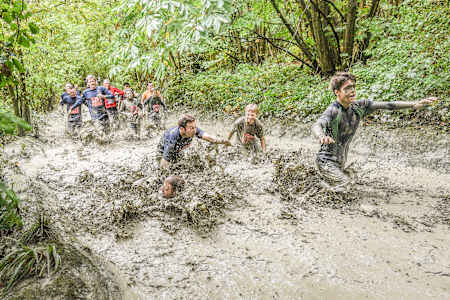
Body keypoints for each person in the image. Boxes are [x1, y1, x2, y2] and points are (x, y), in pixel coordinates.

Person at [311, 72, 437, 192]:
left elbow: (388, 105)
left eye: (353, 87)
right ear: (337, 92)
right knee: (346, 186)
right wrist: (321, 136)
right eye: (348, 88)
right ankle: (318, 188)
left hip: (340, 162)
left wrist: (414, 105)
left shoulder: (358, 107)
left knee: (351, 182)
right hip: (326, 161)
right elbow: (318, 124)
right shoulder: (333, 111)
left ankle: (322, 183)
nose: (352, 91)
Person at [157, 114, 231, 169]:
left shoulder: (193, 130)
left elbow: (209, 138)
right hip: (162, 154)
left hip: (179, 150)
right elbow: (164, 163)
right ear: (182, 129)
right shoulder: (172, 139)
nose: (195, 130)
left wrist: (224, 141)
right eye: (191, 128)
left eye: (195, 127)